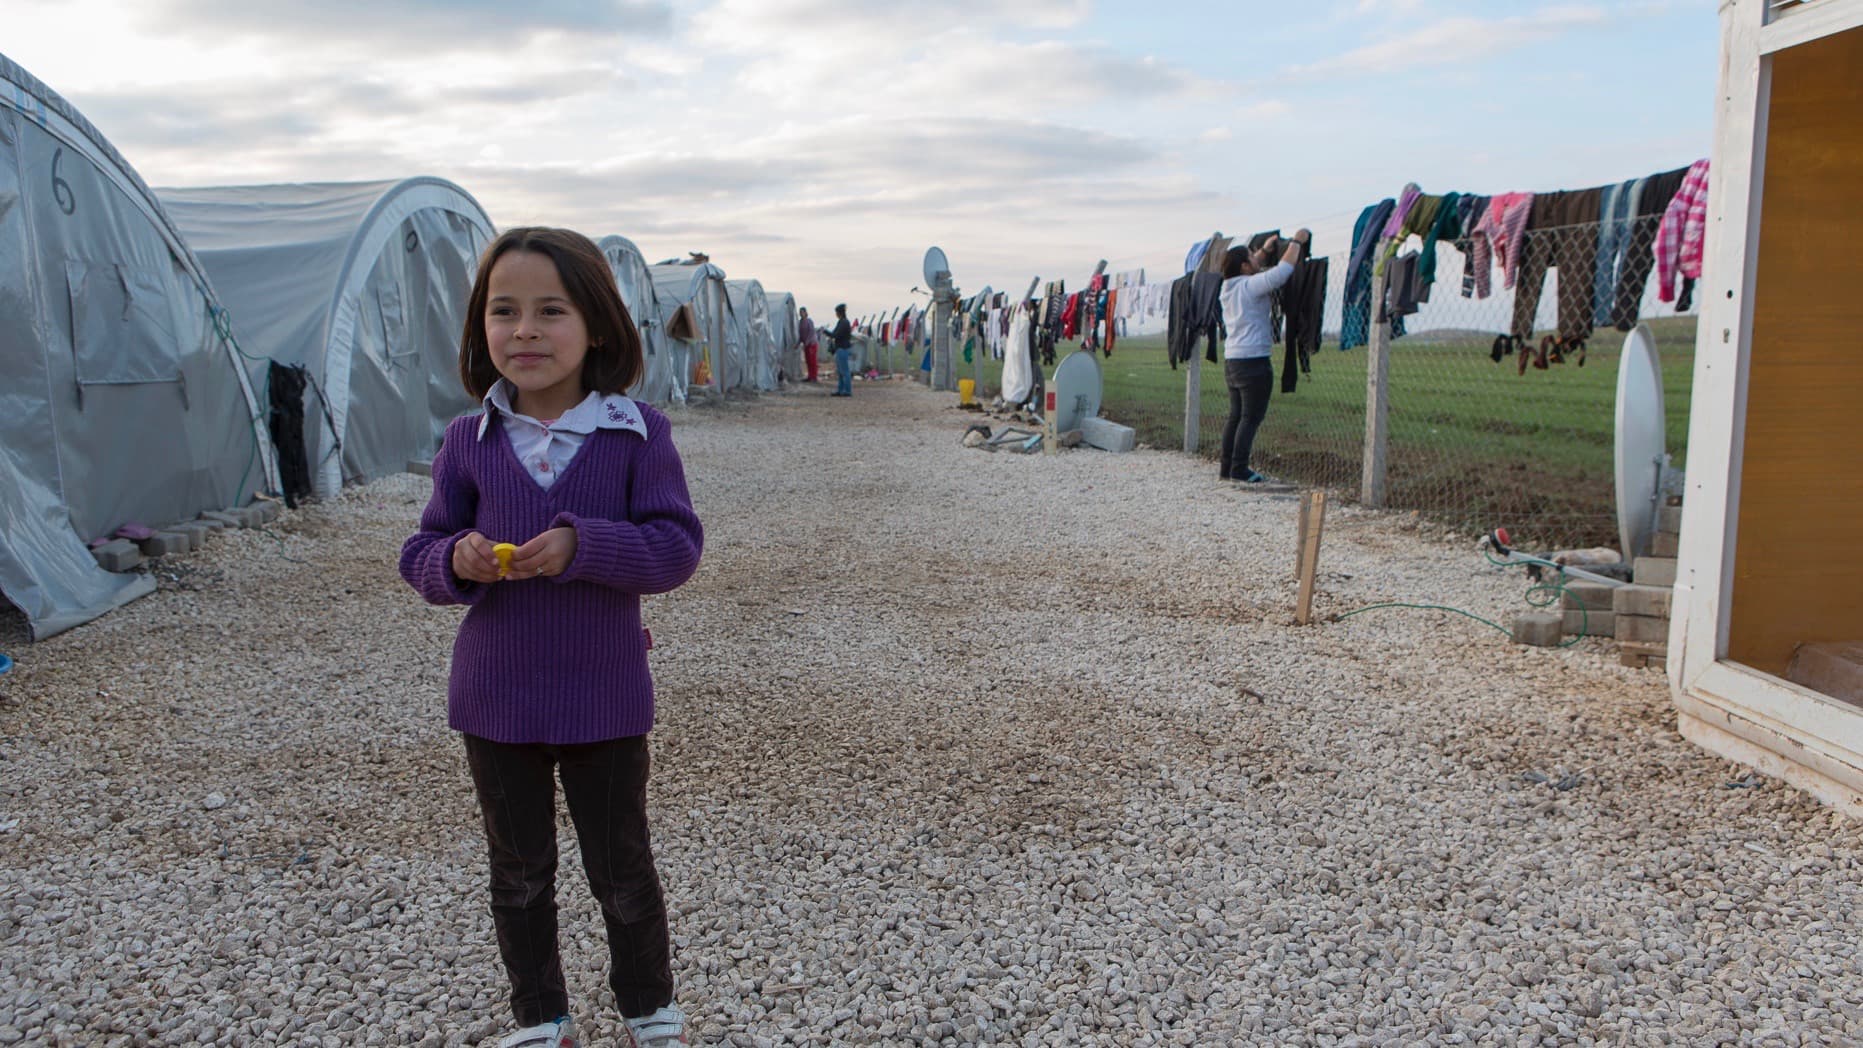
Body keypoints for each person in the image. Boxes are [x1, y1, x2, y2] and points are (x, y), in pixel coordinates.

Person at [399, 227, 703, 1048]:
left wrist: (582, 545)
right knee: (519, 874)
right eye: (503, 311)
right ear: (479, 327)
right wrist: (456, 560)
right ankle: (540, 1018)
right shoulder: (468, 440)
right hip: (494, 698)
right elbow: (420, 551)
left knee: (621, 868)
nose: (524, 331)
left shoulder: (636, 434)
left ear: (598, 325)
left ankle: (648, 1007)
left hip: (604, 695)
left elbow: (675, 548)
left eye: (550, 311)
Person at [1218, 229, 1308, 483]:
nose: (1256, 258)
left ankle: (1227, 467)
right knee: (1250, 418)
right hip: (1253, 362)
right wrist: (1296, 242)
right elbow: (1281, 272)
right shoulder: (1250, 286)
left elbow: (1250, 265)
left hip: (1233, 361)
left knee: (1236, 416)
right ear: (1244, 267)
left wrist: (1265, 250)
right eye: (1251, 257)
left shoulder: (1228, 287)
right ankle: (1239, 469)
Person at [829, 303, 854, 397]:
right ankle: (841, 389)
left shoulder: (843, 323)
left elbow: (836, 334)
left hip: (842, 348)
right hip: (841, 348)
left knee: (844, 371)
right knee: (841, 371)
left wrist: (826, 332)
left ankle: (846, 390)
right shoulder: (843, 322)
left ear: (839, 313)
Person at [797, 307, 819, 383]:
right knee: (808, 360)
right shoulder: (800, 322)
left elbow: (811, 332)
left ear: (805, 313)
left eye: (802, 312)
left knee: (812, 360)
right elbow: (801, 335)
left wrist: (807, 342)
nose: (801, 314)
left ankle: (814, 377)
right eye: (800, 312)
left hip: (812, 343)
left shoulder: (809, 321)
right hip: (806, 344)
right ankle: (810, 376)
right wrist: (798, 343)